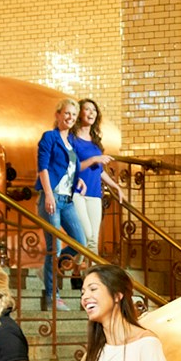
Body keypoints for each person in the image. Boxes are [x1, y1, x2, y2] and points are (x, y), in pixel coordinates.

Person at [37, 98, 89, 310]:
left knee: (80, 242)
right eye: (67, 113)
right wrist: (49, 194)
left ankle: (48, 270)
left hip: (67, 200)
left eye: (74, 115)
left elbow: (69, 168)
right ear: (58, 115)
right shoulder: (49, 137)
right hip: (52, 198)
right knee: (55, 247)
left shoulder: (72, 142)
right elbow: (43, 167)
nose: (70, 118)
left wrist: (78, 180)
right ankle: (53, 296)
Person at [72, 97, 125, 255]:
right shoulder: (72, 139)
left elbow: (99, 170)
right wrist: (94, 159)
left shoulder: (95, 141)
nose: (91, 113)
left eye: (94, 110)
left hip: (95, 193)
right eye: (87, 109)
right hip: (77, 192)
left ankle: (87, 269)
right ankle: (71, 262)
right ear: (79, 113)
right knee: (87, 236)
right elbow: (71, 167)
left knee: (94, 239)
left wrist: (116, 186)